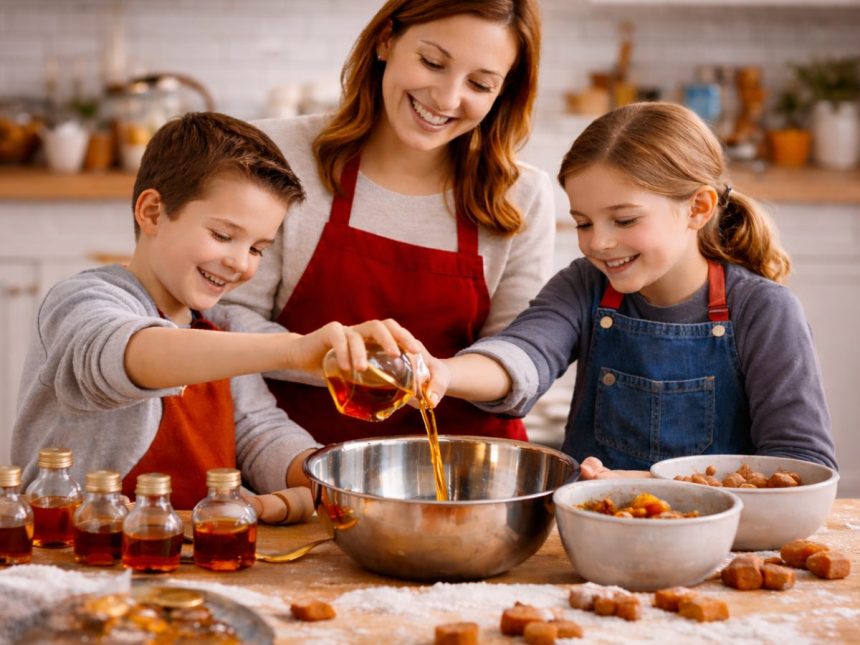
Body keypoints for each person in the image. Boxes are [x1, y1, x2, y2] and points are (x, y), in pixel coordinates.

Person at [11, 112, 422, 509]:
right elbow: (131, 355)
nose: (241, 263)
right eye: (224, 235)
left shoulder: (223, 327)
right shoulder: (81, 302)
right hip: (74, 551)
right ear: (152, 212)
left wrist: (341, 479)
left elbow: (260, 434)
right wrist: (292, 350)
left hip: (193, 554)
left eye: (257, 248)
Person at [425, 102, 837, 477]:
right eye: (584, 223)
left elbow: (801, 466)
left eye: (623, 221)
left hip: (719, 550)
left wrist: (651, 486)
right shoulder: (585, 284)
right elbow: (524, 354)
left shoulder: (763, 310)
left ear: (698, 208)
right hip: (596, 543)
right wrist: (439, 372)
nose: (598, 243)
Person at [221, 0, 555, 444]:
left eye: (479, 83)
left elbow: (519, 356)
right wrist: (328, 359)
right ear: (386, 40)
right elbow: (227, 316)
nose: (447, 98)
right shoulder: (278, 153)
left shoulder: (521, 195)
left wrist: (431, 374)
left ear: (503, 93)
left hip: (465, 469)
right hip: (293, 453)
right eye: (432, 62)